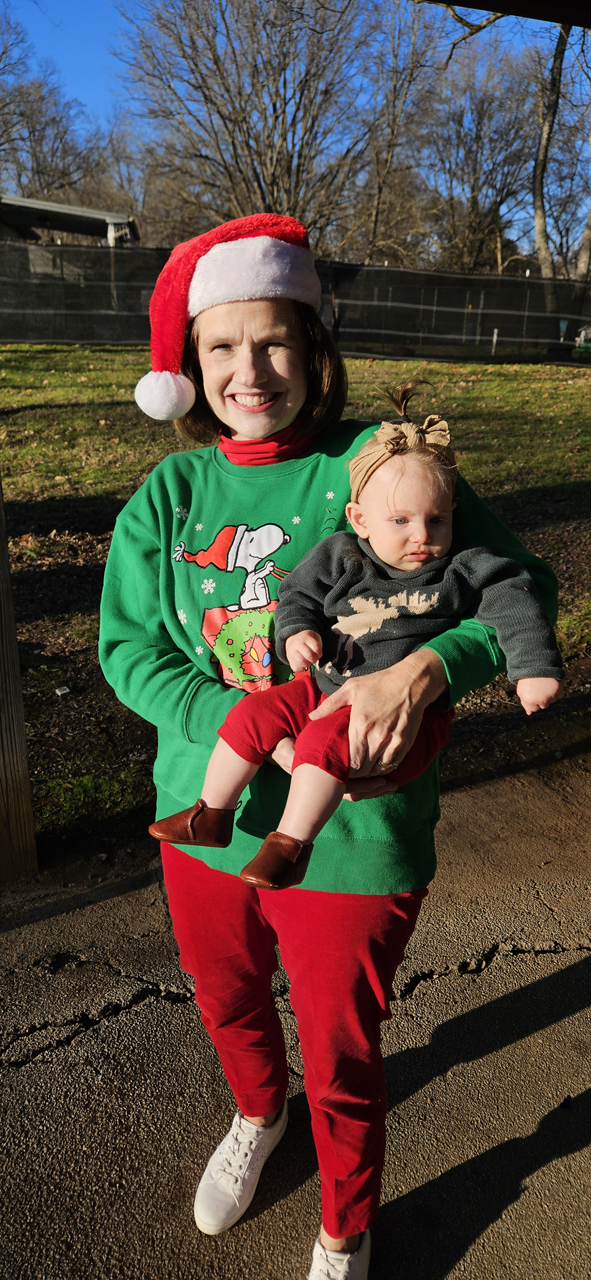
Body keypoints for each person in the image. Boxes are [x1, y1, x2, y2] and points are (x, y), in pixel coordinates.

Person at [99, 213, 561, 1280]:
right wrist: (242, 726)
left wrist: (427, 667)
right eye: (222, 346)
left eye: (274, 341)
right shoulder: (169, 497)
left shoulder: (374, 468)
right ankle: (259, 1112)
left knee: (346, 1054)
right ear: (188, 365)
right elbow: (127, 649)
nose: (249, 369)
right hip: (205, 820)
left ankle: (344, 1225)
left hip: (358, 837)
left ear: (316, 350)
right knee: (227, 998)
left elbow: (518, 590)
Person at [149, 392, 562, 892]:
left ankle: (289, 846)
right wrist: (294, 632)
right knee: (251, 716)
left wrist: (533, 669)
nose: (422, 535)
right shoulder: (344, 555)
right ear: (360, 519)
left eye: (437, 519)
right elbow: (297, 594)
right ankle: (209, 813)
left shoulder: (464, 566)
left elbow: (517, 601)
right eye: (401, 520)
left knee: (323, 743)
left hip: (404, 716)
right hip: (325, 683)